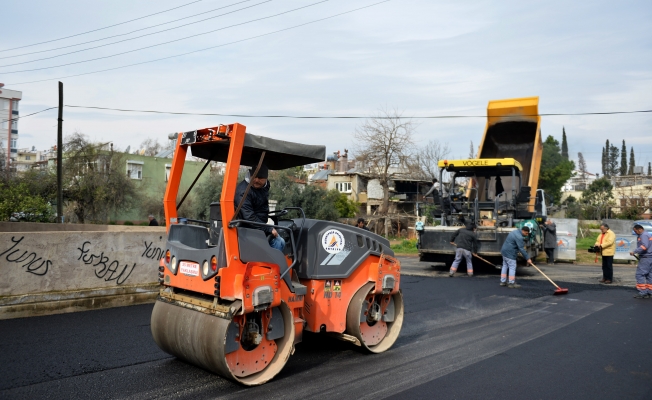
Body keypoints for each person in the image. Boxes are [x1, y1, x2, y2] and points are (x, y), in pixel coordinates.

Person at [234, 164, 285, 252]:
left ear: (266, 179)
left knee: (283, 234)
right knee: (279, 242)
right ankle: (270, 265)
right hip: (247, 229)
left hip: (258, 227)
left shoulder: (265, 186)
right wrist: (268, 228)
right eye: (254, 176)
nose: (257, 180)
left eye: (260, 178)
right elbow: (249, 217)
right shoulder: (244, 191)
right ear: (251, 175)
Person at [630, 224, 651, 299]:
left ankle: (643, 292)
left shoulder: (643, 235)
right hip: (650, 257)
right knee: (649, 275)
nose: (635, 233)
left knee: (640, 274)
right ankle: (650, 291)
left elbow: (644, 246)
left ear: (639, 229)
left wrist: (634, 251)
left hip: (645, 257)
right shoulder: (648, 234)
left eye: (635, 231)